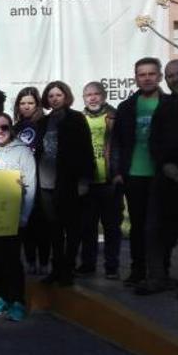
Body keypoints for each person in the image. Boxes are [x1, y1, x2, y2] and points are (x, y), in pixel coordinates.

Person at [110, 57, 170, 286]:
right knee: (137, 226)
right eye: (142, 74)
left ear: (159, 77)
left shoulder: (170, 104)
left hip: (163, 174)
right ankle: (138, 270)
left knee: (160, 225)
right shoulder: (126, 107)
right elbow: (116, 142)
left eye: (151, 74)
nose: (146, 78)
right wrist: (117, 171)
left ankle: (161, 270)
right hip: (134, 175)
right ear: (136, 78)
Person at [138, 59, 178, 297]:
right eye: (171, 76)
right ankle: (159, 277)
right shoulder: (166, 104)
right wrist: (167, 166)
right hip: (167, 176)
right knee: (158, 229)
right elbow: (155, 140)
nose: (175, 79)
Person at [35, 81, 95, 287]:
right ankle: (56, 268)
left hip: (69, 182)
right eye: (50, 96)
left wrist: (85, 180)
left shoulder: (76, 118)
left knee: (72, 228)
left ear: (66, 96)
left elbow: (86, 151)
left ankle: (68, 269)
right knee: (54, 230)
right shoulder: (43, 121)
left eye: (58, 95)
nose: (54, 99)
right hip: (45, 183)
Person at [0, 113, 36, 322]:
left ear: (11, 127)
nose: (0, 131)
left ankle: (17, 301)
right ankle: (1, 298)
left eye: (4, 127)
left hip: (14, 217)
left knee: (12, 260)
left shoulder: (23, 152)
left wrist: (25, 215)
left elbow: (31, 186)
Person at [78, 82, 122, 279]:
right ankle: (88, 265)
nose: (93, 98)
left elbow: (123, 146)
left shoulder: (115, 116)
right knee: (87, 227)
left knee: (112, 227)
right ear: (84, 98)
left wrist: (120, 173)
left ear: (103, 96)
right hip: (87, 182)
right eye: (88, 95)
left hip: (110, 181)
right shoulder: (78, 119)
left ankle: (111, 266)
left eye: (96, 94)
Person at [13, 87, 49, 274]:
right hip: (21, 181)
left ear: (37, 104)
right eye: (22, 103)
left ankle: (44, 262)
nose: (26, 107)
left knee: (41, 223)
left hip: (43, 180)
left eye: (30, 103)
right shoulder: (15, 127)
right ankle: (30, 261)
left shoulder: (45, 123)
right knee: (25, 223)